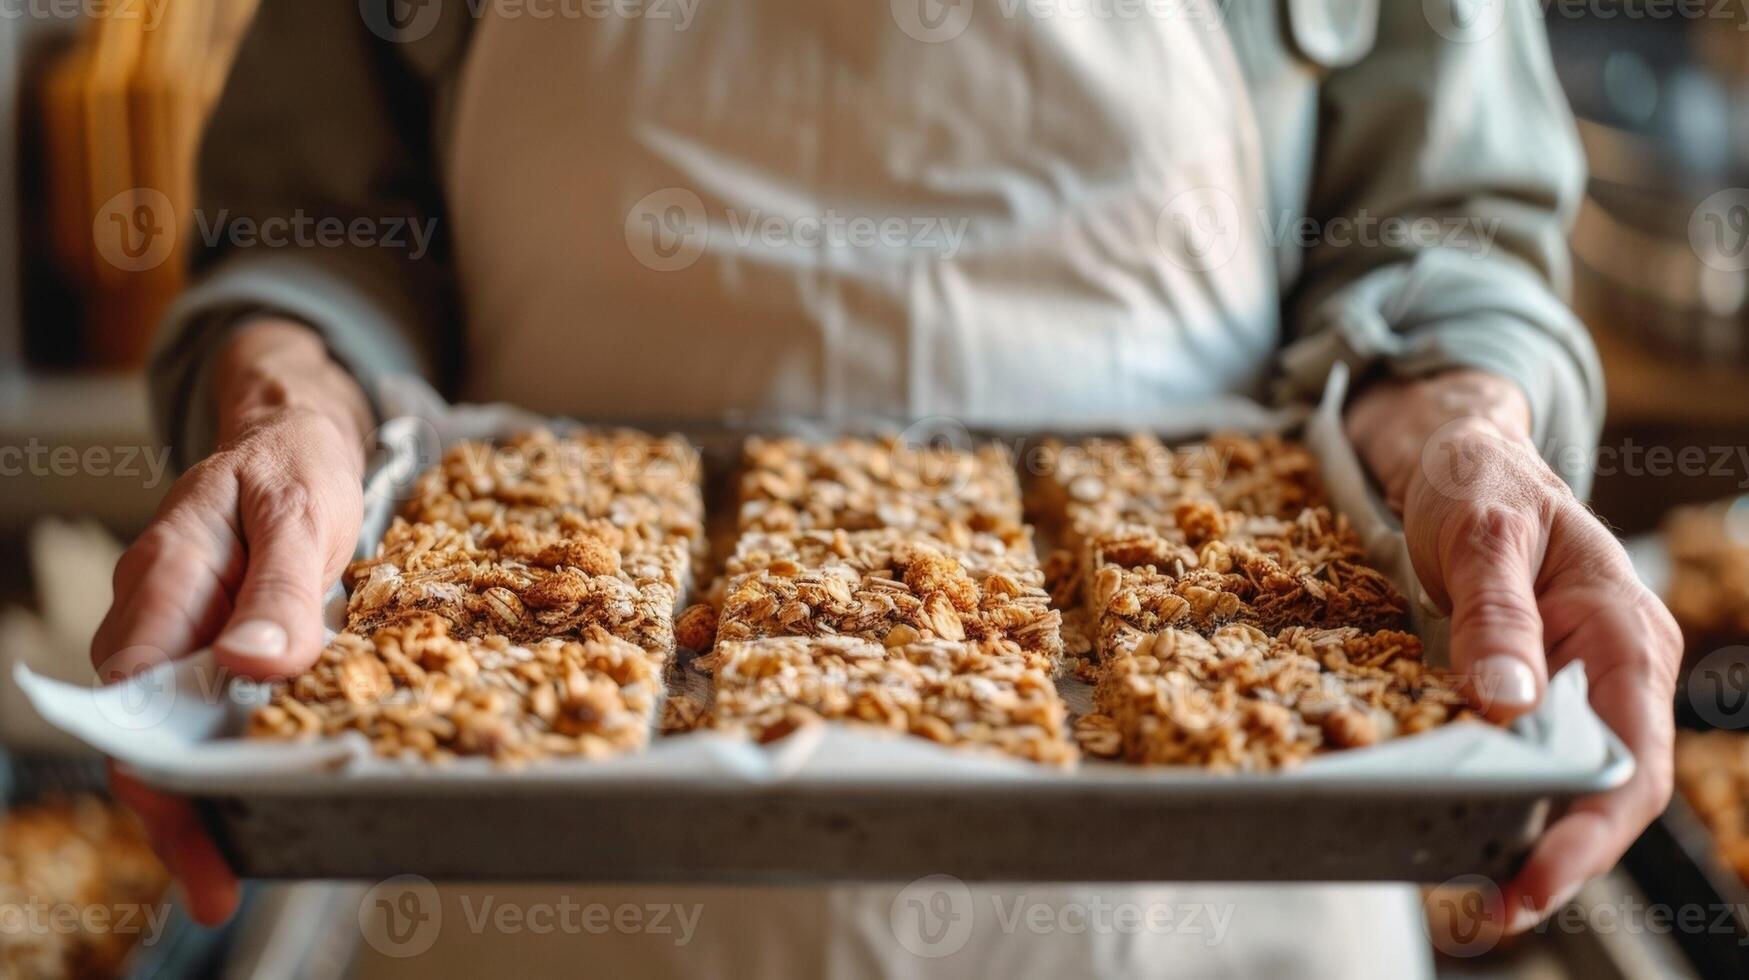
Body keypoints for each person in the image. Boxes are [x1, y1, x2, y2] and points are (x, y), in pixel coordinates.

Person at [92, 0, 1681, 974]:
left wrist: (1466, 429)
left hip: (1211, 910)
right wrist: (280, 413)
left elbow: (1446, 235)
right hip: (545, 909)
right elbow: (307, 234)